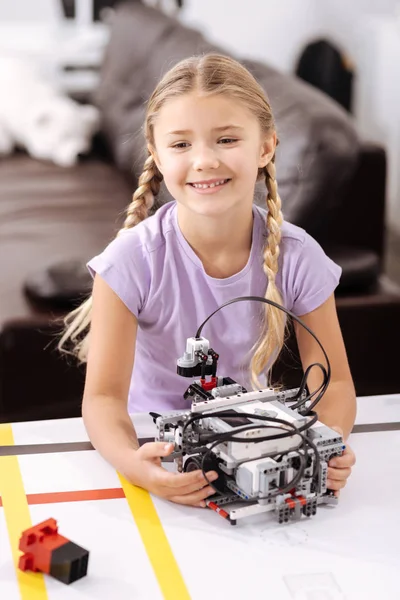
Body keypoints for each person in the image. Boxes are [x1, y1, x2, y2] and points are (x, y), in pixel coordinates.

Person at [59, 54, 356, 509]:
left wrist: (326, 445)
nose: (204, 160)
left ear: (266, 147)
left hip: (247, 444)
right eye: (180, 145)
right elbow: (101, 400)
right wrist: (137, 467)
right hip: (149, 447)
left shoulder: (299, 256)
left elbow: (334, 385)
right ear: (156, 155)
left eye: (227, 139)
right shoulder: (130, 261)